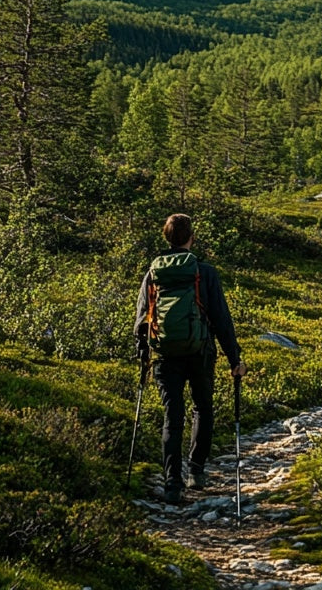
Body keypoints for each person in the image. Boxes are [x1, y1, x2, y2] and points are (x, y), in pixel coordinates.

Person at [135, 213, 246, 503]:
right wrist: (235, 358)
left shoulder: (153, 273)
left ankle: (173, 484)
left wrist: (143, 354)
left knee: (172, 416)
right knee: (202, 408)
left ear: (166, 237)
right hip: (200, 352)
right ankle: (196, 470)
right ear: (191, 237)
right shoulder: (204, 272)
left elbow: (141, 320)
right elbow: (221, 319)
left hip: (164, 355)